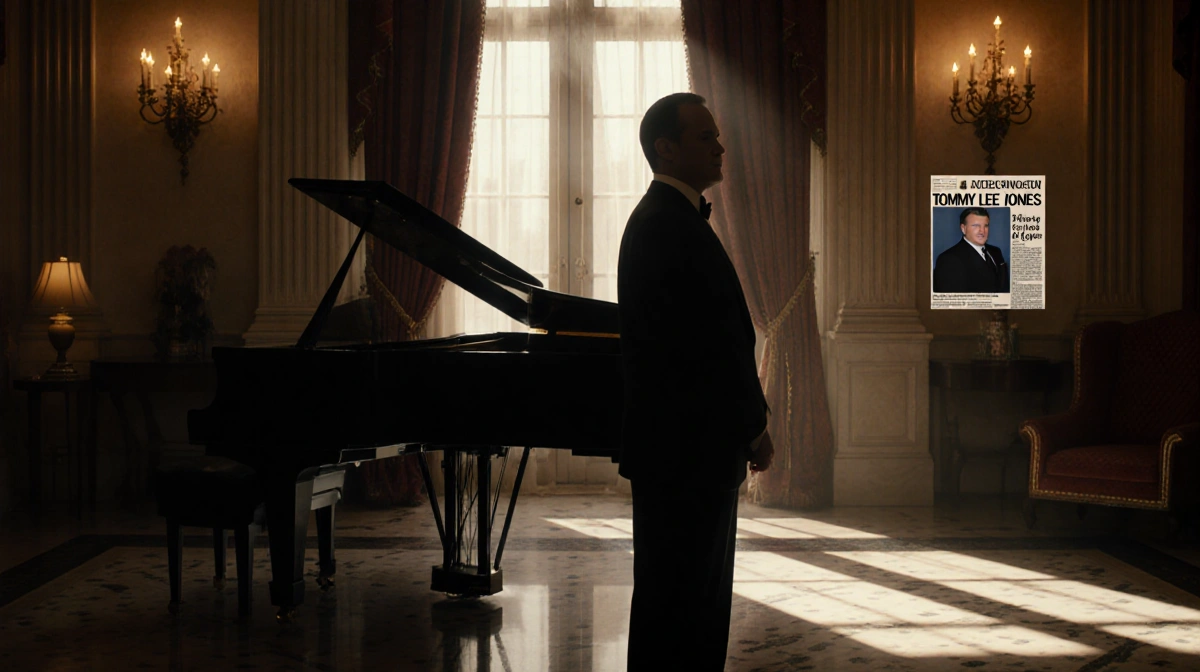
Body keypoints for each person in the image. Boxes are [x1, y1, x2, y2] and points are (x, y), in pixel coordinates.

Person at [617, 92, 774, 671]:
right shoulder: (668, 224)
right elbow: (715, 348)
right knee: (689, 604)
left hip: (677, 452)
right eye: (705, 137)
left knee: (674, 599)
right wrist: (755, 429)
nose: (720, 146)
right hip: (690, 453)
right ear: (666, 148)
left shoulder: (665, 218)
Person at [932, 207, 1010, 293]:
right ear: (963, 228)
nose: (982, 231)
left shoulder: (996, 251)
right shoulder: (948, 259)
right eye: (976, 226)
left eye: (986, 226)